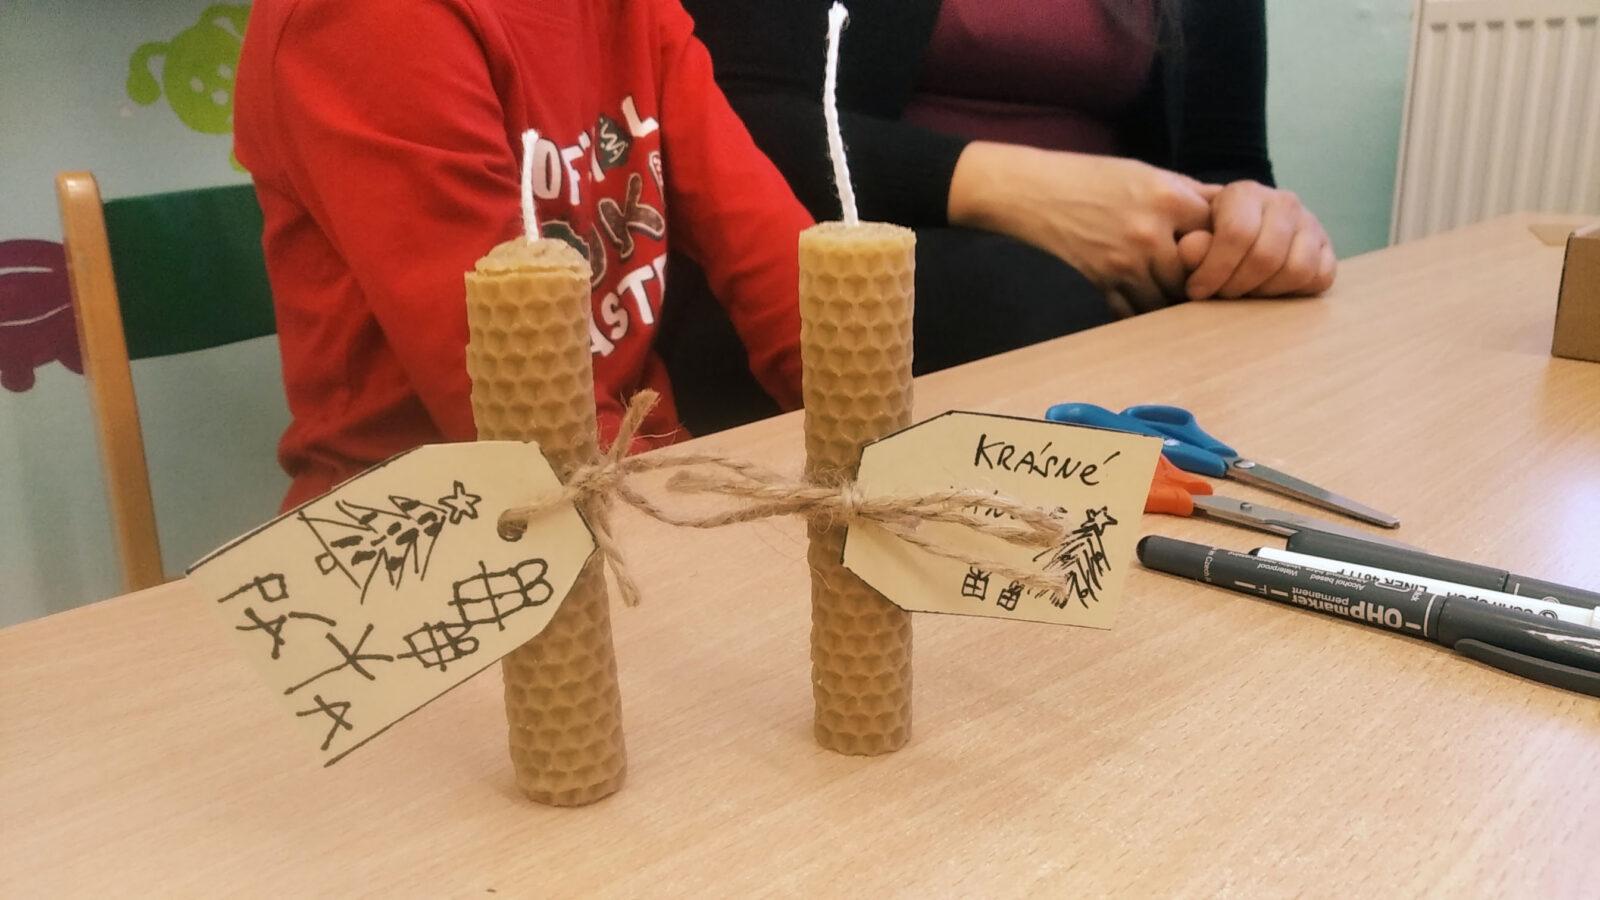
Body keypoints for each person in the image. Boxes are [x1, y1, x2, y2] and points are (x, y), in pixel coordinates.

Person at [234, 0, 813, 509]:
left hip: (632, 469)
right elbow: (528, 431)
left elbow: (761, 244)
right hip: (424, 523)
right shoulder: (369, 19)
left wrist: (855, 441)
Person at [675, 0, 1335, 372]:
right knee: (1033, 300)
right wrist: (1010, 191)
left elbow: (1225, 160)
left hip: (1135, 314)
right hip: (872, 277)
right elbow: (720, 117)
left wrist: (1250, 228)